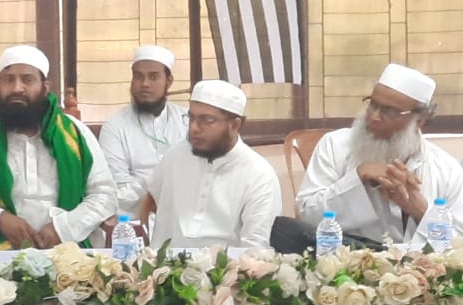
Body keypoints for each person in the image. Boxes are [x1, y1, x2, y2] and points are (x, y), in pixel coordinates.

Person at [0, 45, 116, 250]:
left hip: (69, 251)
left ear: (45, 87)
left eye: (28, 80)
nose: (17, 88)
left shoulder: (76, 134)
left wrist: (64, 228)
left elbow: (105, 194)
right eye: (9, 80)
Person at [296, 64, 463, 247]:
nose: (374, 117)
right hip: (348, 261)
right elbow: (307, 216)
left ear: (419, 120)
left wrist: (420, 211)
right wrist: (358, 177)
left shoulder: (446, 169)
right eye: (372, 105)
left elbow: (458, 245)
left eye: (389, 112)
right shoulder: (335, 146)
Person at [146, 80, 281, 248]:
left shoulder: (259, 175)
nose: (194, 128)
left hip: (226, 264)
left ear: (234, 125)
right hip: (165, 262)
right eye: (191, 118)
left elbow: (255, 248)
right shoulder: (175, 156)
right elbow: (150, 198)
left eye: (207, 120)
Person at [97, 45, 188, 218]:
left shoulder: (188, 121)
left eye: (153, 77)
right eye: (138, 76)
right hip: (133, 219)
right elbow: (117, 189)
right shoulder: (115, 126)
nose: (145, 84)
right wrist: (162, 186)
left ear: (169, 81)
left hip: (185, 213)